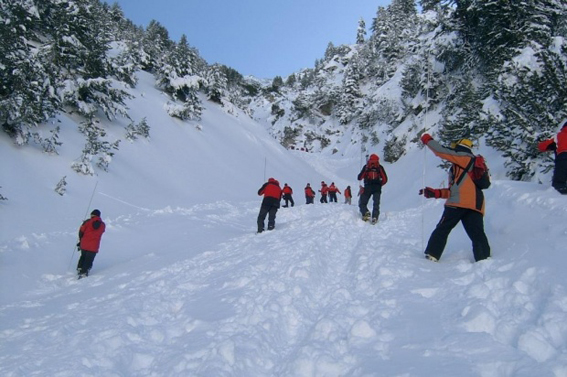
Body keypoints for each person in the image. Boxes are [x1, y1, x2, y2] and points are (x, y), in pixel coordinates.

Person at [420, 134, 491, 262]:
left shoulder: (464, 158)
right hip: (476, 204)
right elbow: (456, 190)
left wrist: (428, 140)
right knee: (477, 234)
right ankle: (484, 259)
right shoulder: (468, 165)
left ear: (459, 148)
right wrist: (436, 193)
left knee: (443, 228)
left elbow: (441, 151)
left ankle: (432, 254)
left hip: (458, 204)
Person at [538, 120, 567, 194]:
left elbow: (542, 146)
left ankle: (559, 189)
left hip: (563, 157)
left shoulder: (558, 136)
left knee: (560, 176)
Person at [357, 154, 388, 224]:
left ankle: (366, 213)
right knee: (376, 203)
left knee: (362, 203)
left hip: (368, 187)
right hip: (377, 188)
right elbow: (385, 179)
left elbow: (359, 177)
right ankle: (375, 217)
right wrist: (380, 184)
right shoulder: (379, 167)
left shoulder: (367, 167)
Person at [77, 209, 106, 278]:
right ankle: (84, 272)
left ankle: (80, 268)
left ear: (92, 215)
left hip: (84, 243)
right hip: (94, 245)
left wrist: (80, 241)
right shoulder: (102, 225)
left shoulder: (87, 222)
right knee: (89, 259)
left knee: (83, 256)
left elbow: (81, 231)